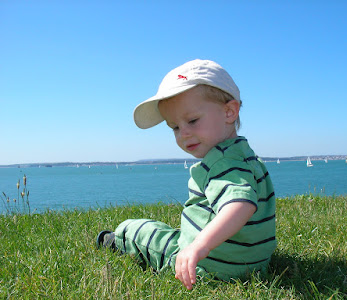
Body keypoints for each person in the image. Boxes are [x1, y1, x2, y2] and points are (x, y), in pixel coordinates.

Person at [97, 59, 277, 290]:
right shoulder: (242, 156)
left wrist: (197, 247)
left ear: (229, 112)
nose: (184, 134)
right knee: (170, 233)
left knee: (140, 230)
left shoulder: (223, 164)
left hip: (209, 267)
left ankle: (116, 239)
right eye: (174, 127)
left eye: (192, 120)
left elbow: (239, 204)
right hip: (254, 265)